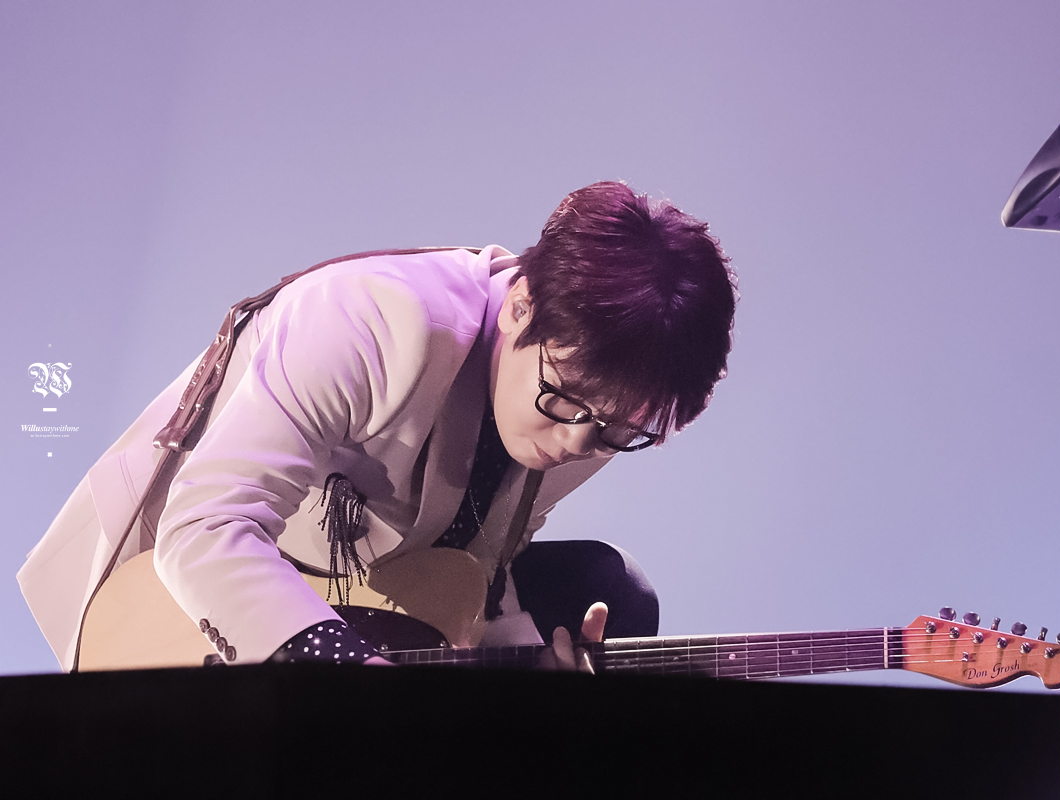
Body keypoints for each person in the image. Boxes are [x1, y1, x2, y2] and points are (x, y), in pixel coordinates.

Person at [17, 181, 738, 672]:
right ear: (521, 305)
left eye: (619, 428)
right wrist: (341, 668)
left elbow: (477, 566)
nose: (579, 441)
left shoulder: (595, 415)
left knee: (610, 592)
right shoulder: (377, 318)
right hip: (186, 587)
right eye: (566, 400)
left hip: (373, 587)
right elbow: (205, 525)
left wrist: (526, 662)